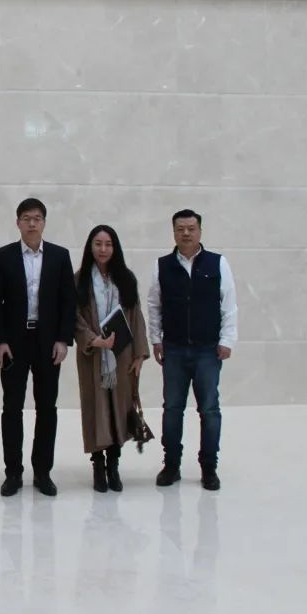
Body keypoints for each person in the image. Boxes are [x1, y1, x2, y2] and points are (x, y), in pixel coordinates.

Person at [0, 198, 77, 497]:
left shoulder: (59, 256)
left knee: (47, 408)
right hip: (14, 343)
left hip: (48, 342)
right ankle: (13, 473)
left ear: (44, 222)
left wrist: (63, 339)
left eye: (37, 218)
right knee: (12, 408)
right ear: (17, 222)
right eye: (26, 218)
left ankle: (43, 472)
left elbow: (68, 301)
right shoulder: (3, 256)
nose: (31, 223)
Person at [147, 209, 238, 491]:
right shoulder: (162, 266)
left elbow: (229, 304)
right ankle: (171, 465)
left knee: (209, 409)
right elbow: (154, 305)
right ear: (173, 232)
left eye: (191, 228)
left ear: (200, 231)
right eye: (180, 228)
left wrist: (227, 340)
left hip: (207, 350)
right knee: (172, 408)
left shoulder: (218, 263)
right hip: (173, 350)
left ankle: (209, 467)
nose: (186, 233)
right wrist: (156, 339)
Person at [74, 225, 150, 492]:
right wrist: (94, 340)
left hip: (122, 356)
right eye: (98, 244)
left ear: (115, 248)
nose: (103, 249)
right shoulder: (79, 279)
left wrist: (139, 354)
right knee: (96, 408)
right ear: (90, 247)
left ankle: (114, 465)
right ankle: (98, 465)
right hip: (93, 356)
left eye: (108, 244)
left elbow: (136, 317)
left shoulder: (126, 279)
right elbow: (74, 317)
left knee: (119, 407)